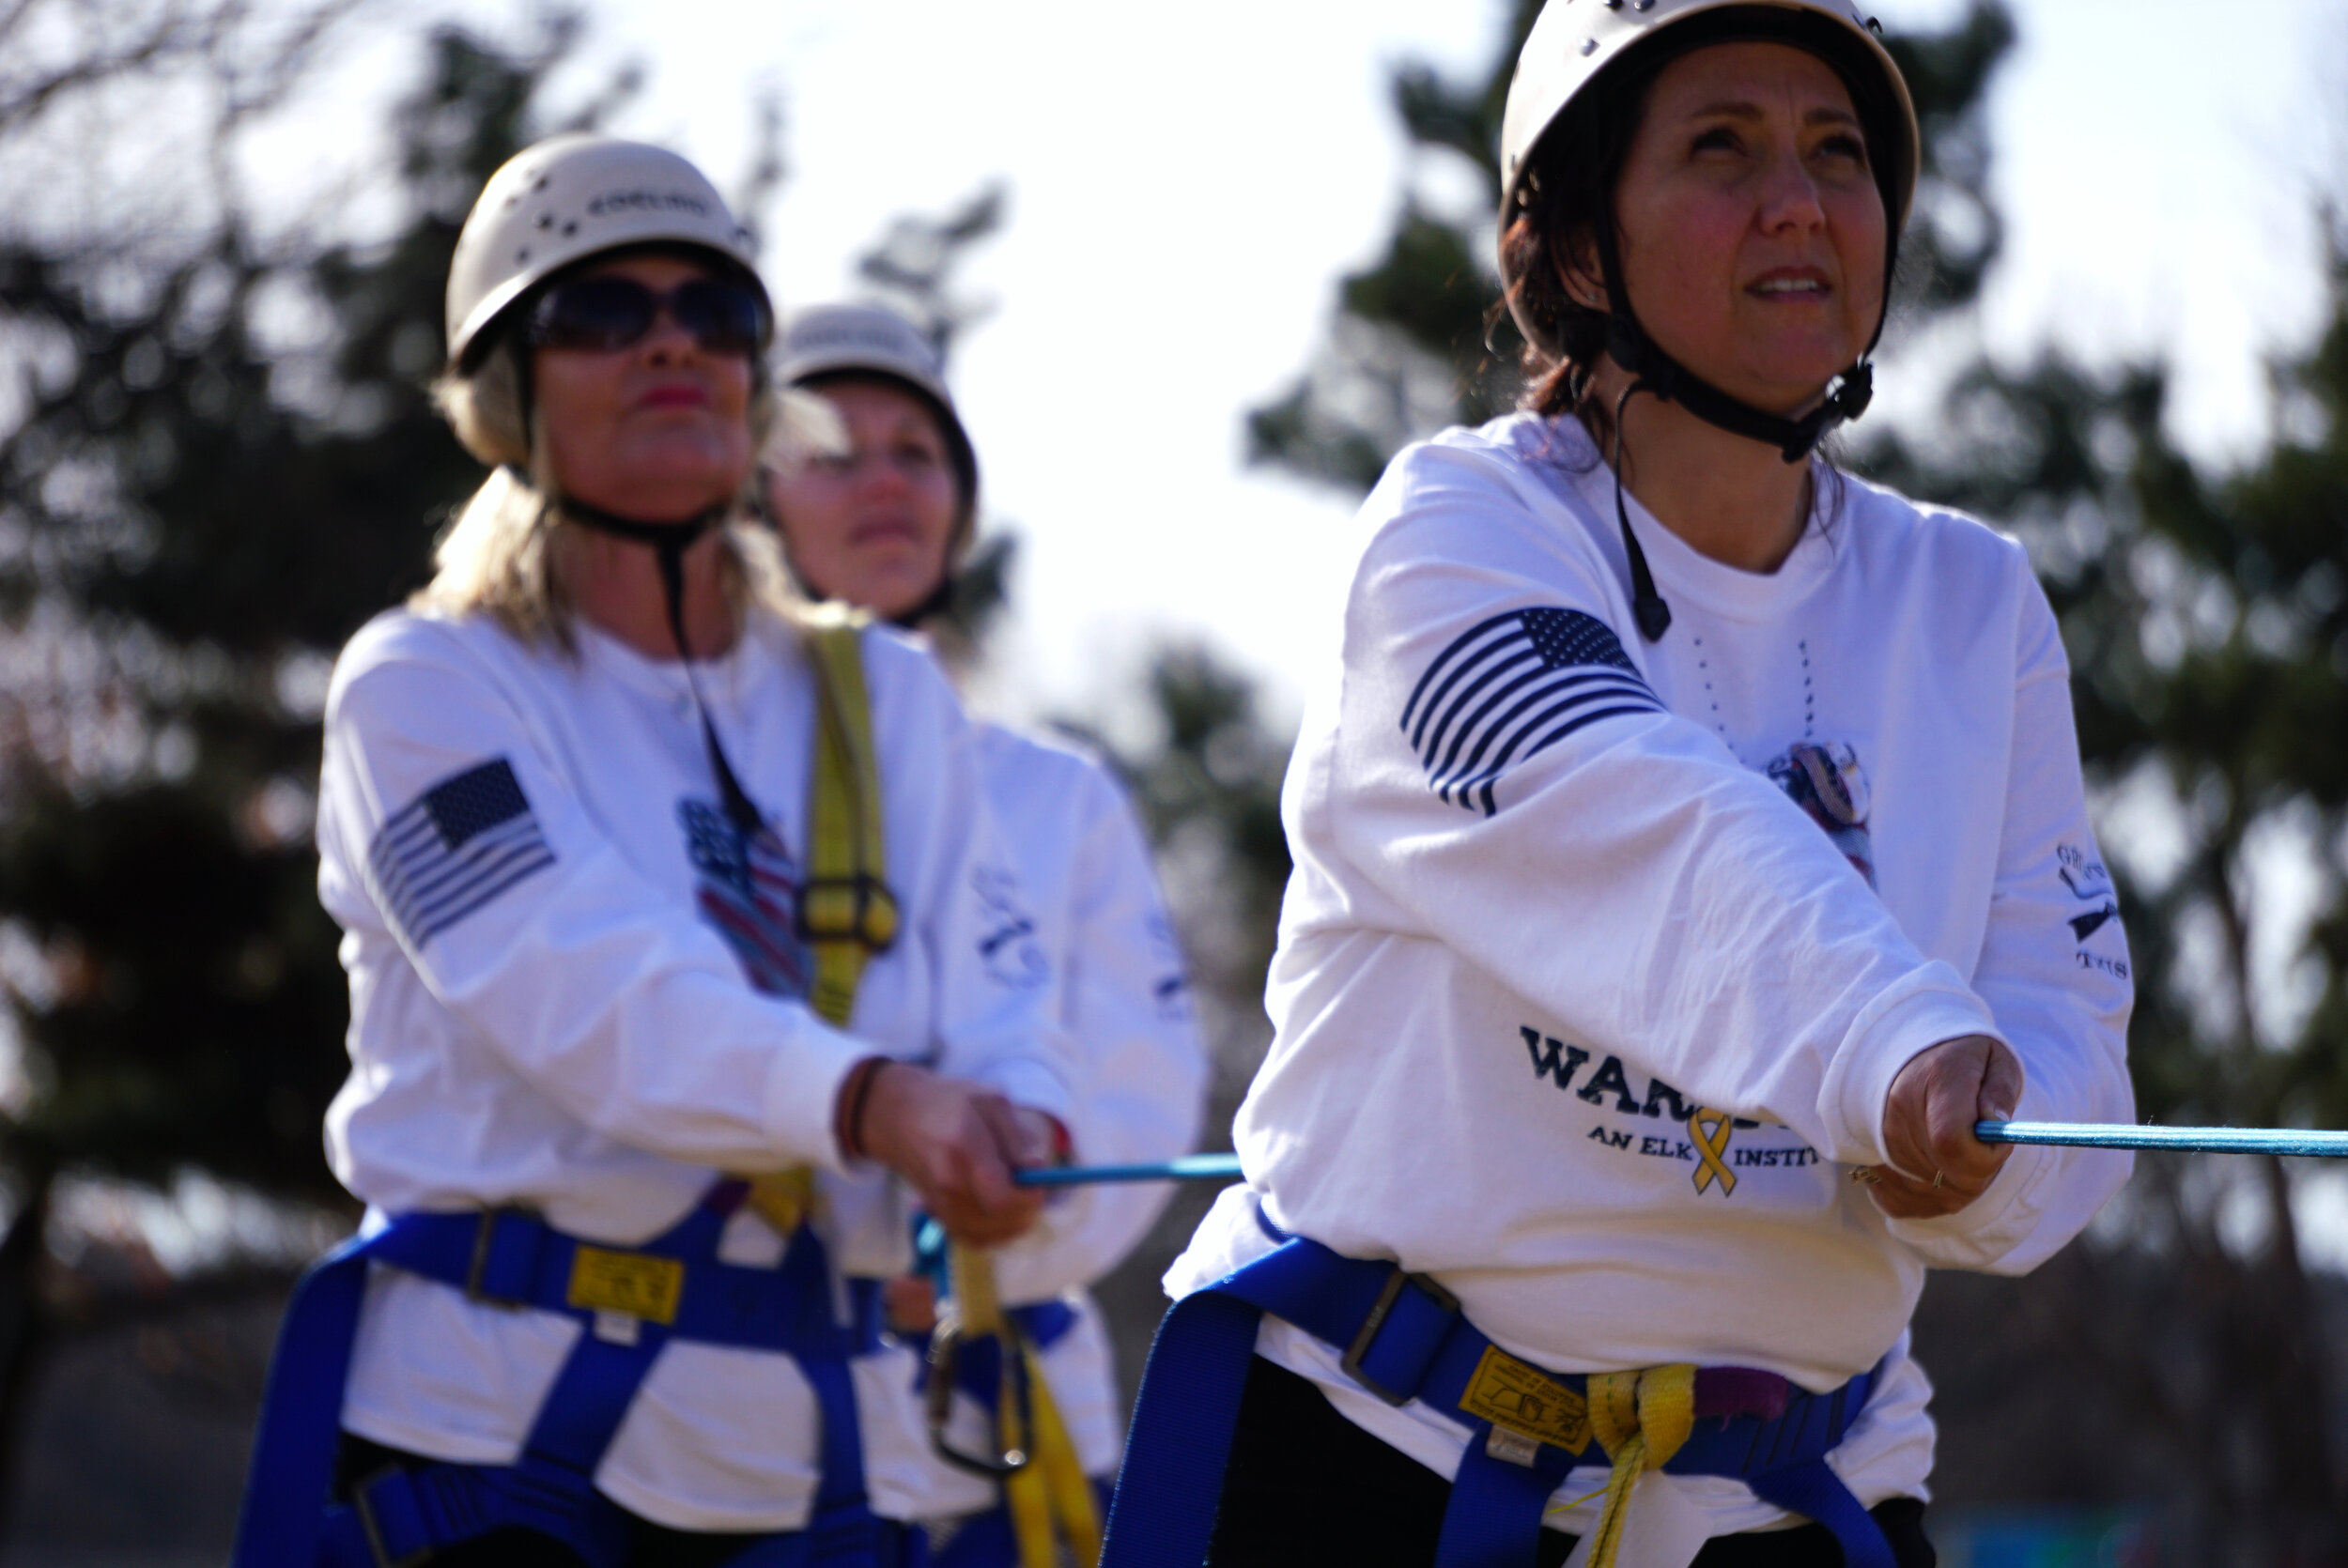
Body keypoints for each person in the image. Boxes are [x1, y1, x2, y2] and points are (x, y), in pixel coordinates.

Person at [1103, 5, 2136, 1567]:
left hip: (1795, 1488)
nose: (1799, 199)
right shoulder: (1450, 537)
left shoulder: (1972, 604)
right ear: (1578, 246)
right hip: (1373, 1465)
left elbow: (2063, 1042)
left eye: (1837, 152)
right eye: (1723, 146)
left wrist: (1979, 1160)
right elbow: (1647, 833)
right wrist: (1893, 1045)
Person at [232, 134, 1083, 1568]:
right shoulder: (425, 689)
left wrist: (1021, 1122)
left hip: (821, 1469)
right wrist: (878, 1103)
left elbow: (1002, 995)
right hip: (490, 1453)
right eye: (603, 313)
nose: (672, 344)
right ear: (507, 392)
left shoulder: (882, 696)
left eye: (715, 312)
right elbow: (586, 990)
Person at [765, 303, 1210, 1567]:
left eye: (919, 450)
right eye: (834, 452)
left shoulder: (1056, 795)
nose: (887, 480)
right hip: (726, 1415)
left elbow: (1138, 1088)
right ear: (750, 497)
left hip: (1001, 1421)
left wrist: (995, 1249)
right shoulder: (681, 768)